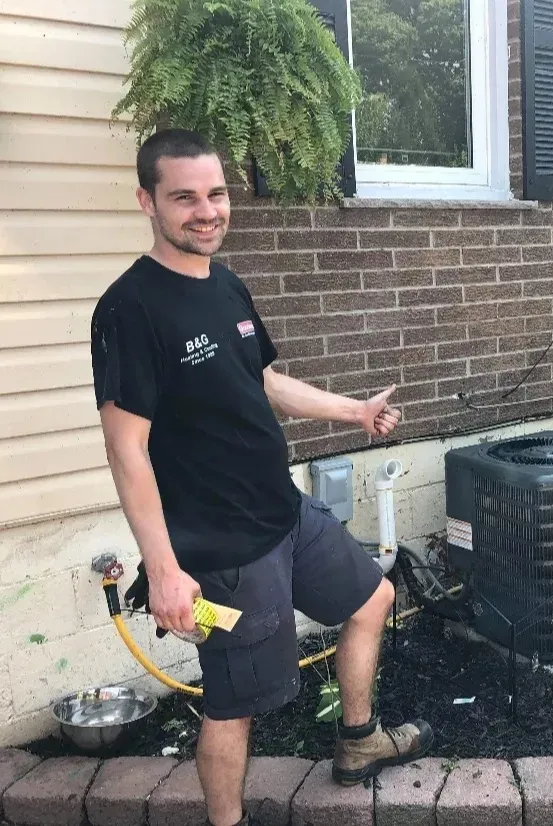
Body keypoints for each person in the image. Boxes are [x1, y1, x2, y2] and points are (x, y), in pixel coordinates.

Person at [90, 129, 432, 826]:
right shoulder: (129, 309)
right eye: (183, 197)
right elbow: (126, 449)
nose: (206, 210)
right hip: (224, 552)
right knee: (234, 704)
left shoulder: (226, 283)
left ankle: (358, 743)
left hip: (285, 514)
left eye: (215, 193)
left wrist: (353, 411)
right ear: (146, 202)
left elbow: (265, 380)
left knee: (372, 599)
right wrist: (163, 570)